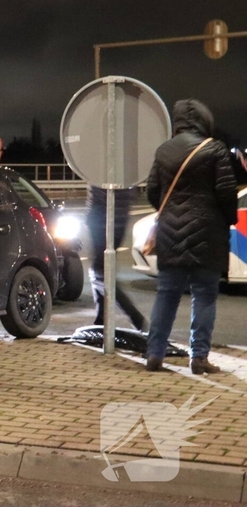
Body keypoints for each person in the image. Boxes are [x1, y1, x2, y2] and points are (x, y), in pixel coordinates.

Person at [144, 99, 238, 374]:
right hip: (208, 235)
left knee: (167, 295)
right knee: (205, 296)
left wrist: (171, 212)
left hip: (170, 235)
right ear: (204, 120)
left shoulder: (163, 151)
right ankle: (199, 358)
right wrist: (228, 219)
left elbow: (152, 191)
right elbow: (226, 192)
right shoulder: (214, 149)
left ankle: (154, 354)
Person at [85, 186, 146, 331]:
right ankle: (101, 321)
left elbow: (98, 194)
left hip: (102, 219)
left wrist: (90, 216)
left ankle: (135, 317)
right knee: (102, 269)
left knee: (100, 273)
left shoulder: (103, 169)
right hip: (120, 219)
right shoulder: (126, 170)